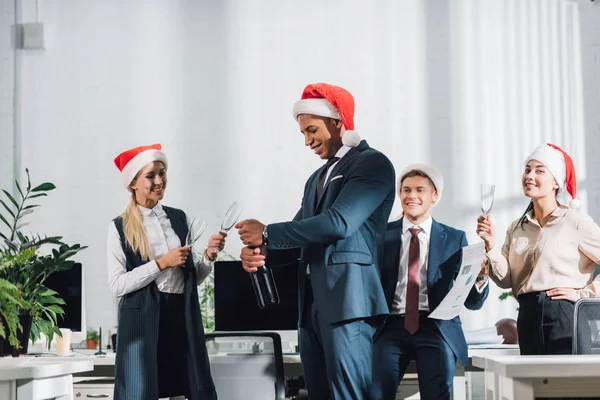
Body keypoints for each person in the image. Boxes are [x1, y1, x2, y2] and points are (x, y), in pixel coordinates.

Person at [235, 83, 396, 399]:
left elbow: (339, 223)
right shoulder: (316, 179)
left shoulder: (372, 163)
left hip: (349, 303)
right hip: (311, 308)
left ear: (337, 122)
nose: (307, 141)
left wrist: (267, 232)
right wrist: (261, 252)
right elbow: (298, 239)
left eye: (312, 130)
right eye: (303, 133)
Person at [107, 143, 226, 400]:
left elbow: (190, 278)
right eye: (150, 175)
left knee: (192, 387)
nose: (159, 180)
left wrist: (208, 256)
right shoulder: (119, 227)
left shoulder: (179, 218)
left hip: (180, 315)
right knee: (140, 390)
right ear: (133, 183)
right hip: (142, 320)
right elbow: (117, 285)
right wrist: (161, 263)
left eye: (162, 173)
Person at [371, 164, 489, 400]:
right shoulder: (380, 236)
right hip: (390, 326)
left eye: (419, 190)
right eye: (405, 190)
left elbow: (472, 303)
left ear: (434, 196)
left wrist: (480, 277)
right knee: (375, 393)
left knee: (438, 394)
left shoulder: (455, 239)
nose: (411, 195)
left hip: (435, 327)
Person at [477, 143, 600, 355]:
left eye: (540, 170)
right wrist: (490, 246)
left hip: (565, 314)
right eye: (527, 169)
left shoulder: (576, 222)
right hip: (527, 314)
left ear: (556, 183)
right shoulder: (516, 228)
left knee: (568, 385)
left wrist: (583, 294)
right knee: (534, 384)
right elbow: (506, 280)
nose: (530, 175)